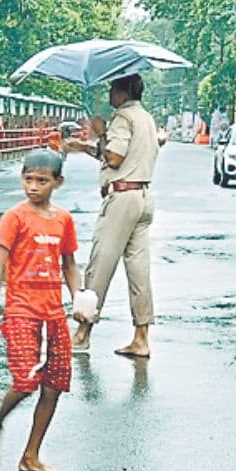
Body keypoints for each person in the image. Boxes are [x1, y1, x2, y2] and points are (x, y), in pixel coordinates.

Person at [0, 149, 82, 471]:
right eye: (28, 179)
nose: (33, 187)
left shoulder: (63, 220)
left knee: (53, 386)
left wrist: (80, 298)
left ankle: (31, 456)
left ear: (58, 182)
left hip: (54, 314)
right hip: (21, 311)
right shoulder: (14, 217)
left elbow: (69, 265)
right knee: (25, 381)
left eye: (41, 181)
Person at [71, 74, 159, 358]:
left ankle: (82, 333)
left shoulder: (122, 118)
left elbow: (115, 158)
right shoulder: (146, 118)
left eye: (112, 89)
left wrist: (101, 132)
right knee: (139, 272)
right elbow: (122, 156)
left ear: (123, 92)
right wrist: (85, 147)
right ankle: (141, 337)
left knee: (100, 265)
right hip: (143, 197)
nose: (109, 94)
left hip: (121, 198)